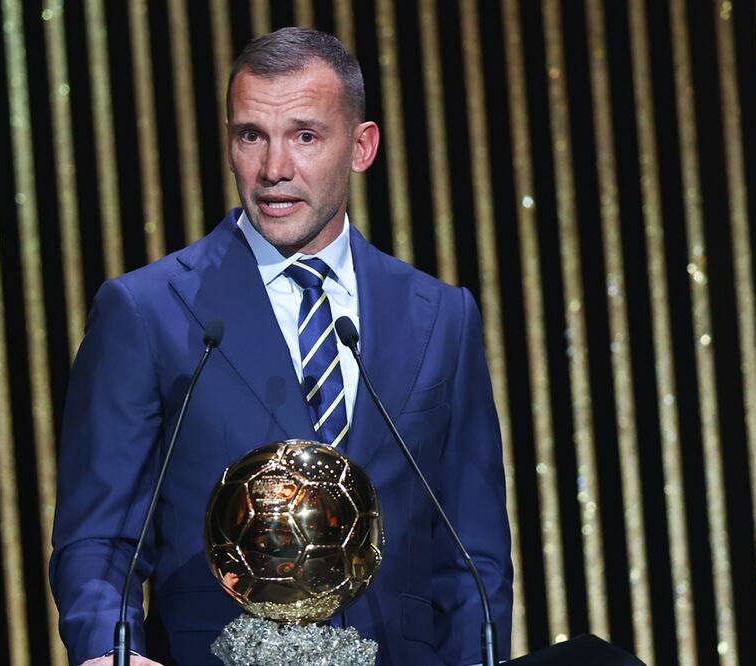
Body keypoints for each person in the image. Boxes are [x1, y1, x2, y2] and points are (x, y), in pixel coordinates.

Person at [50, 27, 512, 666]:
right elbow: (100, 537)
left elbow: (472, 553)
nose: (273, 170)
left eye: (305, 136)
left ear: (361, 146)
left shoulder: (442, 316)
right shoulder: (147, 312)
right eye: (251, 136)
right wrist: (108, 653)